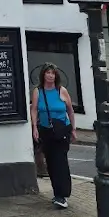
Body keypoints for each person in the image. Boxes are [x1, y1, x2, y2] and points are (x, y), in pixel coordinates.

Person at [31, 63, 76, 208]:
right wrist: (34, 128)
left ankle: (62, 195)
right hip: (46, 131)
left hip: (62, 130)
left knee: (60, 162)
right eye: (48, 73)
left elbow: (70, 111)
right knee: (50, 162)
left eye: (53, 73)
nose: (50, 75)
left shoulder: (61, 91)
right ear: (43, 75)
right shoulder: (38, 91)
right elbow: (34, 109)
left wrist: (73, 129)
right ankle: (57, 193)